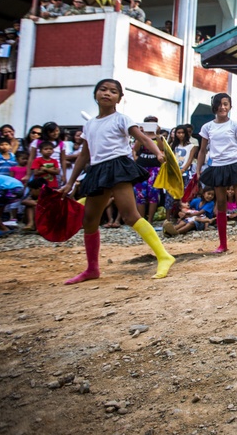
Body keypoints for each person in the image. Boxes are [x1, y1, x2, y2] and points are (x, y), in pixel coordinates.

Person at [59, 78, 175, 283]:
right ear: (95, 94)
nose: (107, 93)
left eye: (113, 91)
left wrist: (158, 153)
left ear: (119, 98)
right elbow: (84, 155)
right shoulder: (89, 125)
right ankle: (92, 268)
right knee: (89, 220)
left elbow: (144, 138)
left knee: (130, 215)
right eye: (103, 89)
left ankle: (164, 256)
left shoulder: (122, 119)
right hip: (97, 170)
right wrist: (70, 183)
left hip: (118, 167)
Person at [194, 92, 237, 252]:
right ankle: (223, 244)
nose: (222, 107)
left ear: (230, 106)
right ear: (214, 107)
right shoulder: (207, 127)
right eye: (219, 104)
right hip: (217, 167)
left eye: (226, 104)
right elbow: (202, 150)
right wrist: (198, 170)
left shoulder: (235, 125)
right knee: (221, 203)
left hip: (235, 164)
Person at [133, 119, 162, 224]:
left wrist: (157, 135)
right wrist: (140, 134)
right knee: (140, 193)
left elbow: (161, 148)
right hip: (141, 167)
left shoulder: (160, 137)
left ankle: (150, 220)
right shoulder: (140, 137)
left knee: (153, 193)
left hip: (155, 167)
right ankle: (141, 220)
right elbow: (135, 149)